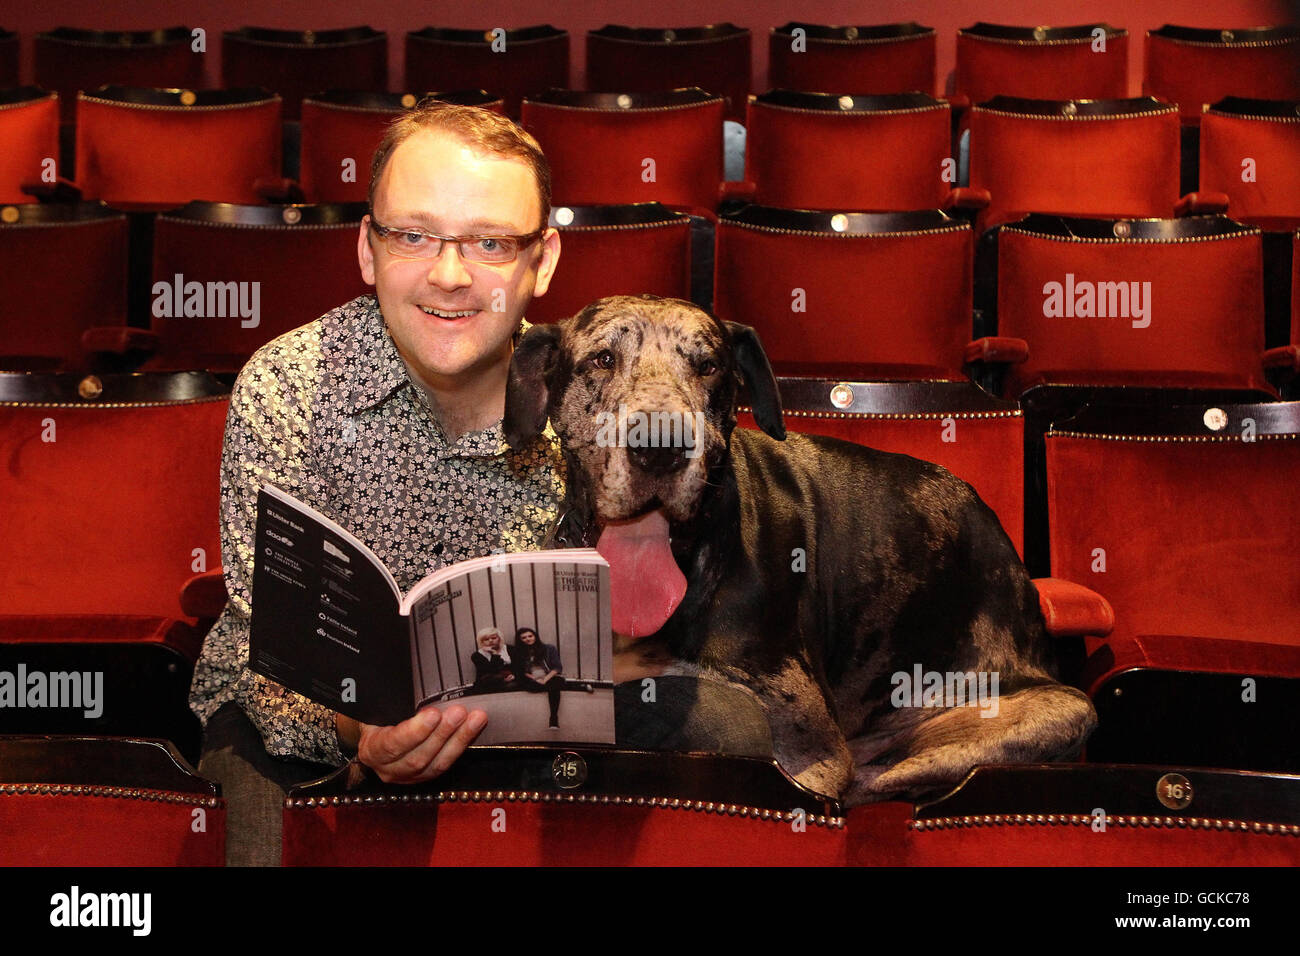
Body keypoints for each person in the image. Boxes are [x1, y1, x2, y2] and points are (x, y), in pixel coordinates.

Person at [187, 101, 563, 865]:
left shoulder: (589, 396)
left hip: (520, 723)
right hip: (297, 724)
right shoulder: (288, 384)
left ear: (543, 260)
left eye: (490, 242)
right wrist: (362, 732)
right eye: (413, 235)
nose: (450, 275)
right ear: (367, 249)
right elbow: (270, 647)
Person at [511, 626, 567, 729]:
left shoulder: (549, 648)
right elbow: (521, 671)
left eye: (530, 636)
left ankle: (553, 719)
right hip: (532, 680)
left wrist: (544, 680)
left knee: (556, 683)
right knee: (531, 685)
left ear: (535, 636)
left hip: (548, 677)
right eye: (524, 638)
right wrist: (535, 679)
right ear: (520, 640)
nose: (528, 639)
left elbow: (557, 668)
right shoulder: (518, 653)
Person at [469, 627, 517, 693]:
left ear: (499, 638)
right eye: (486, 639)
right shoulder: (477, 655)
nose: (490, 641)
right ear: (481, 642)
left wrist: (514, 676)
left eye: (494, 638)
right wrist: (495, 654)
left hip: (511, 679)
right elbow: (489, 671)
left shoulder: (510, 649)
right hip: (489, 683)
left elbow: (518, 666)